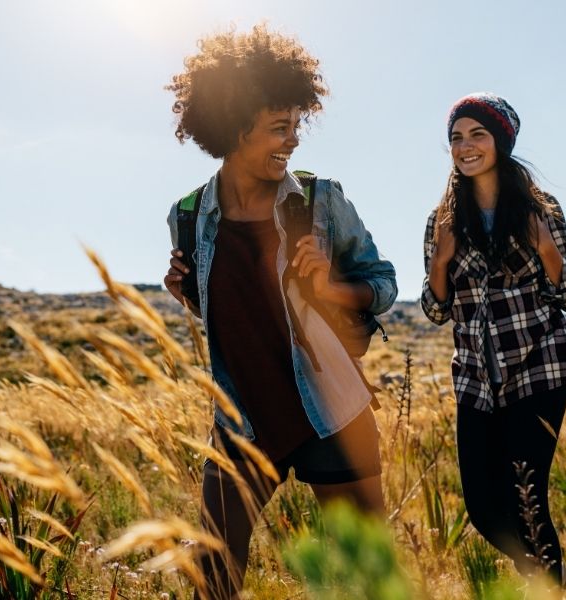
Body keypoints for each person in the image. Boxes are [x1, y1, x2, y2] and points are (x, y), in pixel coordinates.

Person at [162, 25, 397, 599]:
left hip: (332, 411)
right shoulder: (189, 216)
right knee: (213, 576)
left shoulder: (321, 200)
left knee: (369, 580)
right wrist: (187, 294)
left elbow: (382, 283)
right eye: (278, 128)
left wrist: (333, 289)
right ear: (233, 124)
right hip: (242, 419)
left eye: (296, 126)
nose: (292, 141)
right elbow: (234, 309)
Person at [421, 92, 566, 588]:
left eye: (477, 135)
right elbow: (434, 310)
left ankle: (547, 586)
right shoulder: (442, 220)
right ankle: (549, 576)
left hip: (540, 370)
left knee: (527, 497)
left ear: (502, 142)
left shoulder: (541, 210)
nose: (465, 146)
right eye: (456, 137)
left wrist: (546, 250)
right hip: (475, 380)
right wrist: (440, 262)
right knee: (482, 507)